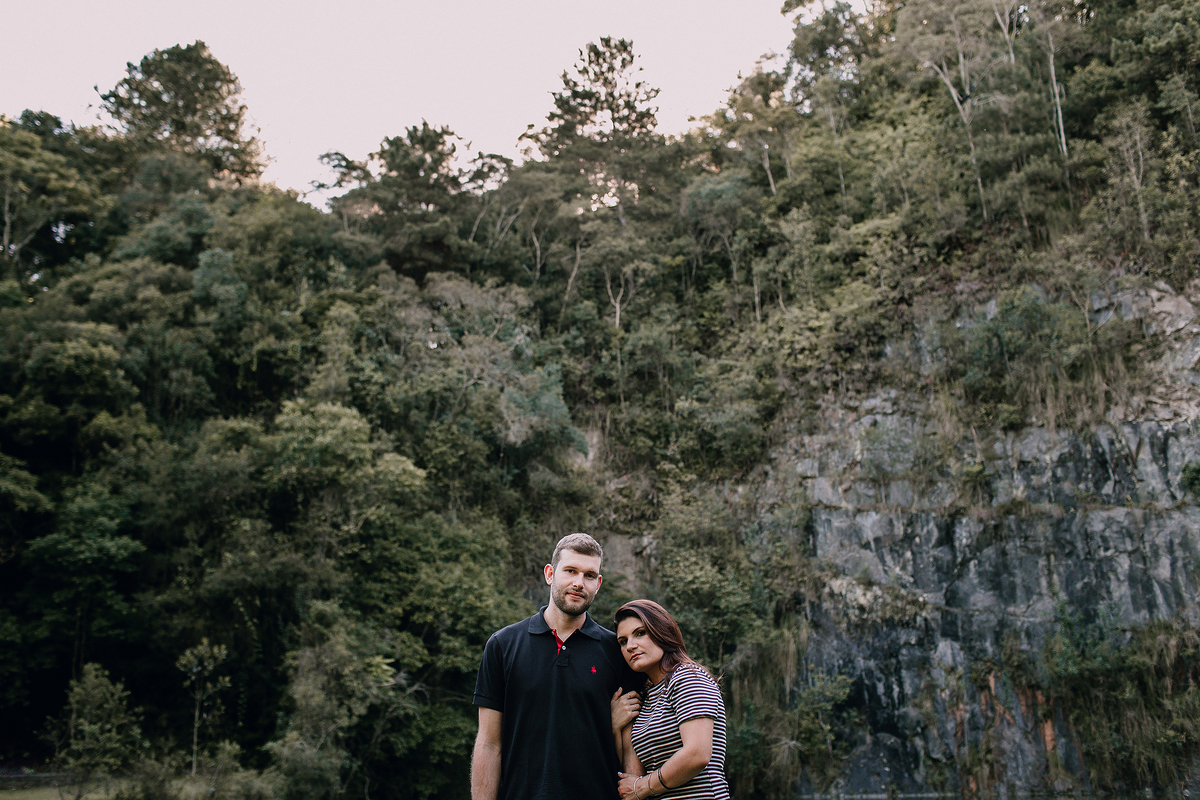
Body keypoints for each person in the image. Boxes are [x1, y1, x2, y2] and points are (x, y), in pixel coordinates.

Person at [471, 533, 641, 800]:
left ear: (598, 584)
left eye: (589, 575)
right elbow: (489, 744)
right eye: (570, 571)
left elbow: (632, 745)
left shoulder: (618, 650)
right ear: (550, 574)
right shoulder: (503, 645)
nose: (578, 583)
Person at [611, 600, 730, 800]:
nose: (630, 646)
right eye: (623, 641)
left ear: (662, 632)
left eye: (640, 633)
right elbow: (631, 778)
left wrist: (642, 787)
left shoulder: (688, 677)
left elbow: (697, 754)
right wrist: (616, 727)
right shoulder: (647, 698)